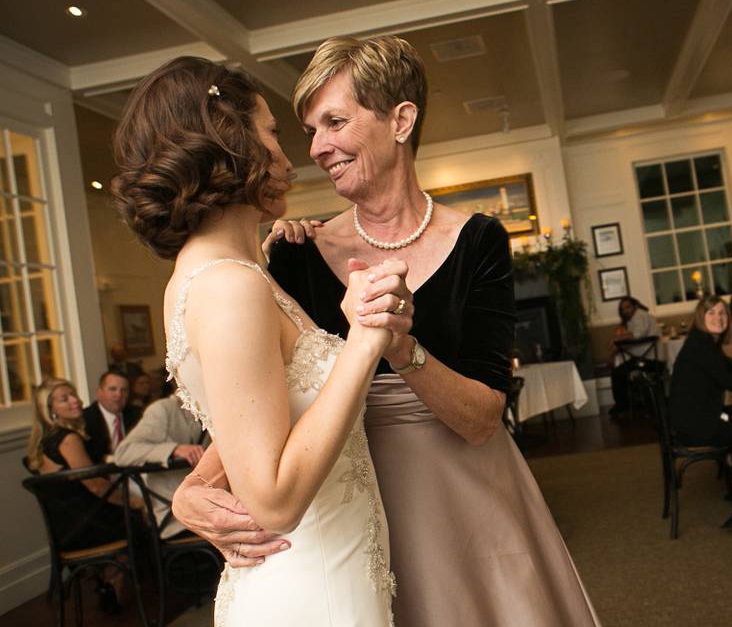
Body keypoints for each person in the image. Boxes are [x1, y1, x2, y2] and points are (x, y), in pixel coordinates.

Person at [172, 36, 600, 626]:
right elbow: (275, 396)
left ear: (401, 120)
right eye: (308, 130)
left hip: (462, 493)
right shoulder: (297, 251)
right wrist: (194, 484)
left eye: (335, 122)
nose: (317, 149)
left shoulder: (478, 242)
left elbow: (482, 419)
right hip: (343, 498)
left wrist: (401, 349)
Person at [112, 56, 396, 626]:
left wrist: (197, 484)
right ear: (229, 141)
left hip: (334, 570)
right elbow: (273, 501)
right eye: (271, 133)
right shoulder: (227, 286)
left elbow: (258, 421)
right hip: (310, 586)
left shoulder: (236, 273)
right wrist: (365, 341)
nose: (290, 158)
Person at [25, 378, 143, 612]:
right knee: (139, 517)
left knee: (131, 513)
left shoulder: (45, 440)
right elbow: (96, 486)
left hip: (65, 529)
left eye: (74, 394)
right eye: (64, 398)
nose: (75, 400)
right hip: (85, 528)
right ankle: (122, 589)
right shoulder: (68, 439)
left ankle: (107, 584)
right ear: (50, 410)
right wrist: (133, 502)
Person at [668, 296, 732, 528]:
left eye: (722, 313)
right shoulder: (700, 346)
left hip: (696, 419)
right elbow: (730, 381)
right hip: (695, 426)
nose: (718, 318)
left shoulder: (705, 343)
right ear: (700, 318)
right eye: (711, 313)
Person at [115, 395, 209, 538]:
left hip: (209, 511)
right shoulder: (162, 409)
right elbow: (123, 453)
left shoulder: (210, 409)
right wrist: (174, 449)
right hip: (175, 519)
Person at [608, 296, 659, 417]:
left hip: (649, 360)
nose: (625, 311)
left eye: (627, 307)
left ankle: (622, 406)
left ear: (635, 306)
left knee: (618, 373)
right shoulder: (633, 319)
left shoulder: (639, 315)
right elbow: (633, 341)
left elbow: (637, 335)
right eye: (623, 309)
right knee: (621, 371)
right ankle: (632, 404)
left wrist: (617, 339)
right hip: (646, 359)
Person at [82, 371, 142, 464]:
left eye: (124, 390)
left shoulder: (138, 415)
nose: (118, 395)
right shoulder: (85, 419)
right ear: (99, 392)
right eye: (112, 389)